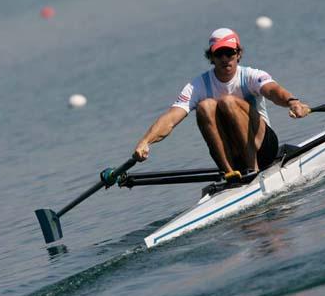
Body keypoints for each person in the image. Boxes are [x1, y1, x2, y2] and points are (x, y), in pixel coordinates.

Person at [133, 28, 310, 181]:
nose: (225, 58)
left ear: (238, 54)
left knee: (227, 102)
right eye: (219, 54)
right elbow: (171, 118)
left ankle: (252, 170)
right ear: (211, 57)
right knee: (205, 107)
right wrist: (145, 141)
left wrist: (292, 102)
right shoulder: (198, 85)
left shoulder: (250, 75)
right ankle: (230, 173)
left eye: (230, 52)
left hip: (263, 148)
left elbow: (273, 91)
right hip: (233, 156)